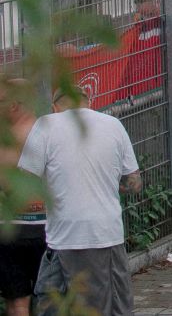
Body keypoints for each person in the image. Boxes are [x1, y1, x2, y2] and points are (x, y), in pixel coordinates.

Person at [18, 96, 140, 316]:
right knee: (109, 305)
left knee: (50, 300)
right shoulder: (112, 124)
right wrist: (116, 187)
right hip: (104, 234)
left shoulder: (46, 124)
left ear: (54, 106)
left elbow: (25, 179)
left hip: (62, 235)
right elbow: (134, 182)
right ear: (88, 102)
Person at [0, 81, 46, 316]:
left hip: (11, 228)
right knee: (50, 297)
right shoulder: (50, 132)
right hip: (46, 226)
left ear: (16, 104)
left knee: (17, 301)